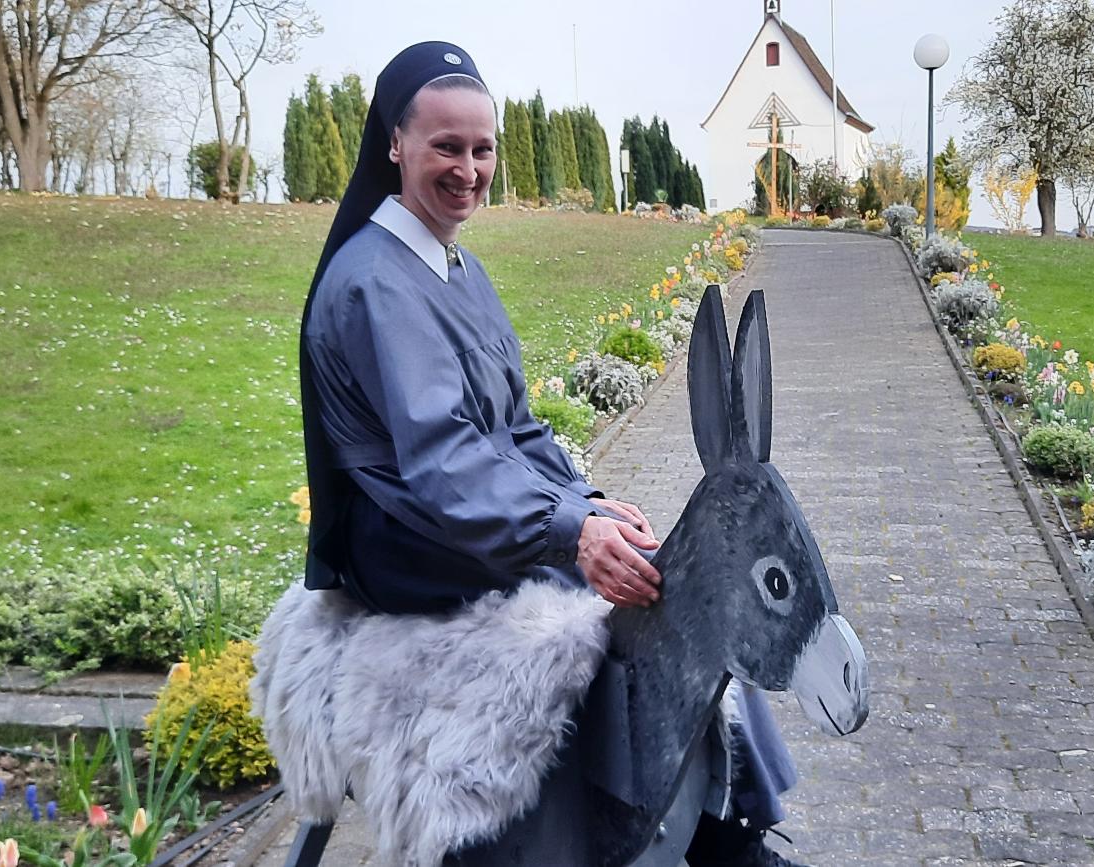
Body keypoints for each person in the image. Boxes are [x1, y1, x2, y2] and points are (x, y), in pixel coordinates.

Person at [296, 41, 805, 867]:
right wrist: (569, 534)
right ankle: (608, 838)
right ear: (394, 143)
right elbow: (443, 461)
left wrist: (586, 500)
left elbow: (517, 425)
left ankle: (725, 819)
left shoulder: (458, 267)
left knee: (671, 570)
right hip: (406, 528)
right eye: (445, 147)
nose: (467, 169)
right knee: (600, 602)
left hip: (460, 504)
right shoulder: (373, 282)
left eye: (482, 148)